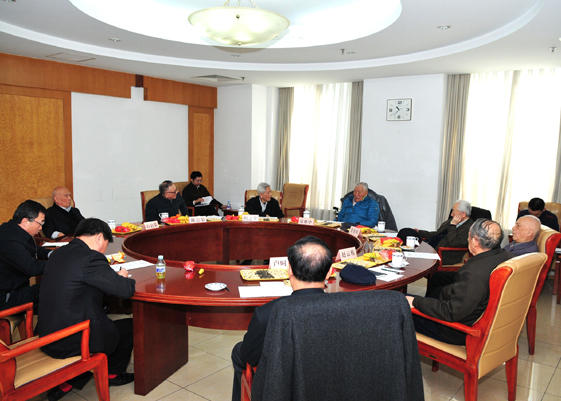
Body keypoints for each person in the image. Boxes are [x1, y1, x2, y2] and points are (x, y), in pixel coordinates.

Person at [37, 218, 135, 400]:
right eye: (106, 244)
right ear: (99, 237)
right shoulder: (90, 258)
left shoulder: (59, 253)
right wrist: (122, 277)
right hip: (70, 339)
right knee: (130, 326)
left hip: (47, 333)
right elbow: (125, 290)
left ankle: (71, 380)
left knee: (102, 319)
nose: (104, 250)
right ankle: (113, 373)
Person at [230, 236, 332, 401]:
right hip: (326, 378)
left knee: (238, 352)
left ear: (289, 269)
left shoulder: (267, 314)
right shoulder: (345, 308)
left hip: (279, 386)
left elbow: (249, 356)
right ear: (330, 271)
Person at [406, 218, 511, 345]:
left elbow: (450, 312)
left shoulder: (474, 273)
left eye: (469, 236)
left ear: (475, 241)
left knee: (396, 304)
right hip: (468, 308)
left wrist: (416, 302)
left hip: (453, 329)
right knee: (438, 277)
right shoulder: (503, 256)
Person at [0, 200, 48, 310]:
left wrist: (51, 254)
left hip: (15, 288)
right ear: (25, 221)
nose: (41, 228)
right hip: (7, 297)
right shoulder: (9, 240)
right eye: (40, 223)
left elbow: (32, 249)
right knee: (54, 289)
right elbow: (32, 268)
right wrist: (59, 262)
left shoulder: (11, 230)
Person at [405, 200, 474, 265]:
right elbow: (437, 233)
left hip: (445, 255)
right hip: (433, 249)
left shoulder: (469, 228)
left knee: (414, 261)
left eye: (454, 211)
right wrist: (419, 232)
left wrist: (453, 226)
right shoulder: (451, 221)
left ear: (463, 214)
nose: (451, 214)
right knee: (407, 235)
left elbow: (454, 243)